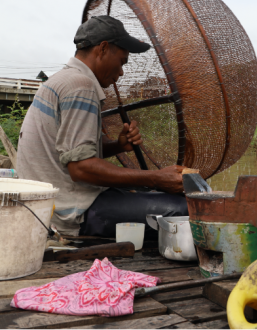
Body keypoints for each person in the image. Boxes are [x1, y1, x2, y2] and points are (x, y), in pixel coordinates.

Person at [17, 15, 187, 237]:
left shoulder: (62, 80)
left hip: (47, 206)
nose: (122, 72)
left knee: (152, 197)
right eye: (122, 61)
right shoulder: (81, 86)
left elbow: (68, 151)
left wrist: (118, 145)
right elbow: (81, 168)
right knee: (183, 211)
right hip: (69, 214)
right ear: (103, 49)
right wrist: (156, 178)